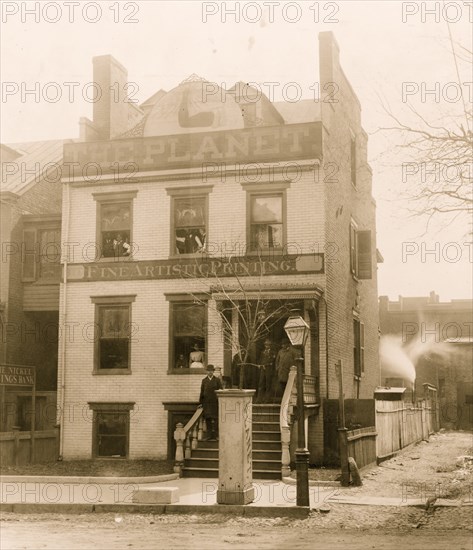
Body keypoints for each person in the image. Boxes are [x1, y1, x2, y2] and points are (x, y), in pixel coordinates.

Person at [199, 365, 223, 440]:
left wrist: (220, 401)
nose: (210, 372)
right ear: (207, 371)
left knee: (216, 419)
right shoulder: (204, 381)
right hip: (206, 403)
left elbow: (220, 391)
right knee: (208, 419)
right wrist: (200, 403)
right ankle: (209, 436)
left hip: (215, 403)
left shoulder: (217, 380)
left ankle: (216, 435)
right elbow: (202, 392)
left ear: (213, 371)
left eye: (211, 371)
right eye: (208, 371)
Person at [257, 338, 276, 403]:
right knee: (261, 384)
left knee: (268, 385)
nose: (266, 346)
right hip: (263, 370)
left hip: (269, 370)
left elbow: (272, 362)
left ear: (270, 345)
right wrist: (259, 365)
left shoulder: (273, 353)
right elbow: (260, 360)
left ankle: (267, 399)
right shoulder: (262, 352)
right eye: (265, 345)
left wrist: (267, 365)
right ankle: (259, 399)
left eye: (268, 345)